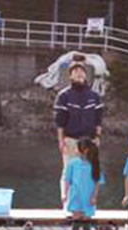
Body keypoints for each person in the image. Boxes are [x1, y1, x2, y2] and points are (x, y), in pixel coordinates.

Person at [53, 61, 104, 201]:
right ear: (70, 76)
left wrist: (98, 136)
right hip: (70, 139)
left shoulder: (94, 96)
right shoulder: (64, 96)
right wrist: (61, 141)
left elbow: (98, 119)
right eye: (75, 72)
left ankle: (86, 205)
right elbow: (59, 121)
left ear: (86, 75)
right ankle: (67, 204)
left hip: (89, 141)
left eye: (81, 71)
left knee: (90, 172)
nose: (79, 73)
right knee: (68, 172)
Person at [62, 138, 105, 230]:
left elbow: (97, 183)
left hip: (88, 198)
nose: (75, 150)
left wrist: (94, 197)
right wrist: (64, 194)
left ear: (84, 150)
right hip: (76, 197)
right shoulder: (72, 163)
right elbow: (67, 180)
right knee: (76, 222)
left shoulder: (95, 164)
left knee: (86, 223)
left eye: (77, 148)